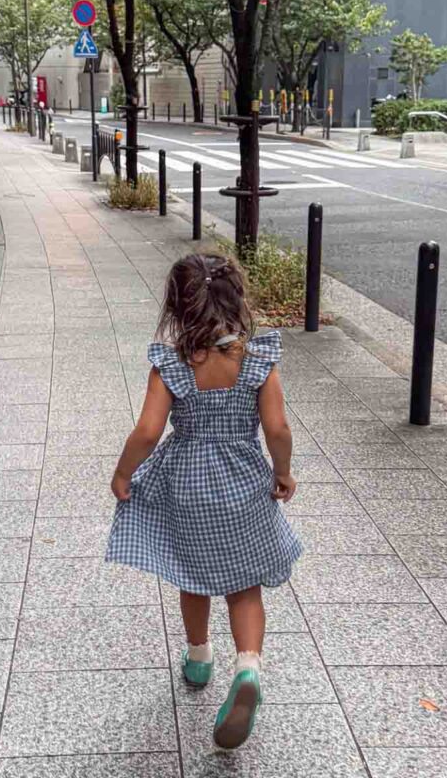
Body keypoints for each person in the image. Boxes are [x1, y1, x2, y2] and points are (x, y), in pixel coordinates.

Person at [106, 253, 302, 750]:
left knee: (191, 575)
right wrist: (282, 472)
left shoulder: (171, 363)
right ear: (238, 301)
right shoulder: (258, 359)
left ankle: (198, 657)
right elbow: (278, 429)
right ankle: (249, 667)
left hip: (188, 486)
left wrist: (123, 472)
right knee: (244, 584)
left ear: (177, 305)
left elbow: (148, 431)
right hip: (244, 484)